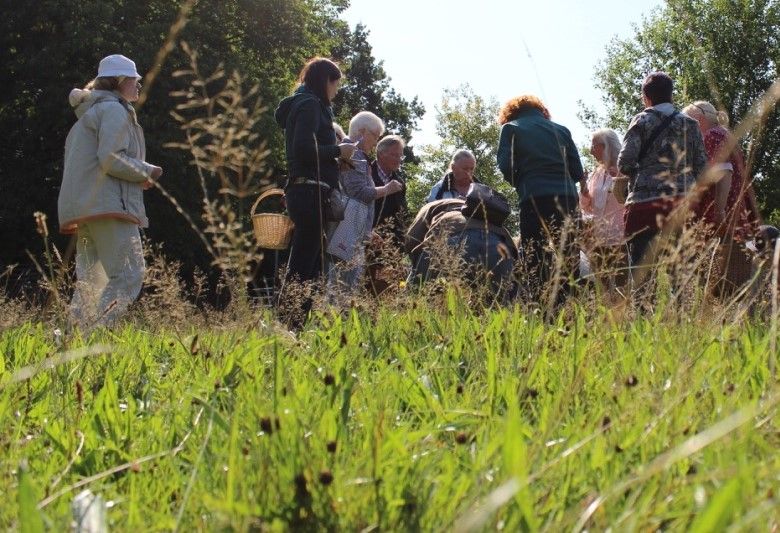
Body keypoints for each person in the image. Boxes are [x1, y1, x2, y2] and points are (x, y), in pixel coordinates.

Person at [58, 54, 163, 330]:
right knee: (129, 275)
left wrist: (135, 175)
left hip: (87, 207)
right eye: (134, 80)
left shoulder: (89, 114)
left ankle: (69, 344)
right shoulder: (115, 110)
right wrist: (147, 171)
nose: (139, 85)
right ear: (119, 81)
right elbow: (111, 158)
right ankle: (95, 339)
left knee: (91, 285)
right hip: (109, 206)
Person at [274, 57, 356, 328]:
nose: (336, 91)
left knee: (312, 263)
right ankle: (287, 326)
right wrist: (338, 151)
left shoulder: (307, 104)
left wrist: (335, 159)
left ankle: (296, 325)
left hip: (310, 191)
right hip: (308, 193)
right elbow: (302, 150)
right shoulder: (310, 105)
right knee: (303, 262)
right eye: (336, 84)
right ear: (326, 81)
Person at [617, 72, 707, 279]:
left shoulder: (641, 120)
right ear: (671, 95)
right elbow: (702, 169)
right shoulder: (691, 124)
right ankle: (680, 311)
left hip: (644, 206)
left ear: (645, 97)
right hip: (682, 203)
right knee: (680, 272)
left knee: (641, 272)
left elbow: (625, 163)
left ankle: (641, 311)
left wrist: (642, 169)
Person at [497, 94, 585, 306]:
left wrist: (520, 180)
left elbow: (505, 165)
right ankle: (571, 308)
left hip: (533, 196)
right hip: (566, 199)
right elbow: (577, 170)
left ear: (510, 113)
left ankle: (540, 306)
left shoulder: (511, 128)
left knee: (534, 254)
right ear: (541, 111)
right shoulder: (562, 130)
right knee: (569, 255)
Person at [682, 100, 761, 296]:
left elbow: (723, 173)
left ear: (698, 119)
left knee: (717, 274)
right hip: (733, 210)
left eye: (687, 123)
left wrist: (719, 210)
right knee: (731, 271)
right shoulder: (725, 134)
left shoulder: (712, 135)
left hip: (718, 214)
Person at [326, 112, 403, 302]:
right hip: (347, 230)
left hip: (352, 229)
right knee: (344, 284)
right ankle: (338, 325)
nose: (376, 142)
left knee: (341, 282)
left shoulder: (353, 154)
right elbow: (359, 194)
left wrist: (368, 231)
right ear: (361, 132)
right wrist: (387, 188)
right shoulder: (355, 155)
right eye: (375, 136)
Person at [406, 184, 518, 301]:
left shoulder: (435, 205)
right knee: (498, 306)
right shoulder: (489, 216)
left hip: (455, 239)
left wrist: (416, 265)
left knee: (417, 296)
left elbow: (412, 239)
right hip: (499, 246)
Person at [579, 128, 628, 288]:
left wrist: (619, 179)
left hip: (621, 236)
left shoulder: (625, 169)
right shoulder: (597, 174)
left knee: (623, 283)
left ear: (606, 146)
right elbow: (587, 206)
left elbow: (628, 199)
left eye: (594, 146)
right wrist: (584, 187)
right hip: (599, 238)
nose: (591, 150)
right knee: (603, 285)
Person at [366, 135, 408, 295]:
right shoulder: (366, 174)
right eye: (395, 155)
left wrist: (400, 244)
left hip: (391, 246)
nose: (399, 160)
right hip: (367, 241)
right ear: (381, 154)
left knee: (387, 290)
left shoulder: (400, 183)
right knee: (364, 287)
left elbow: (401, 215)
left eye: (400, 155)